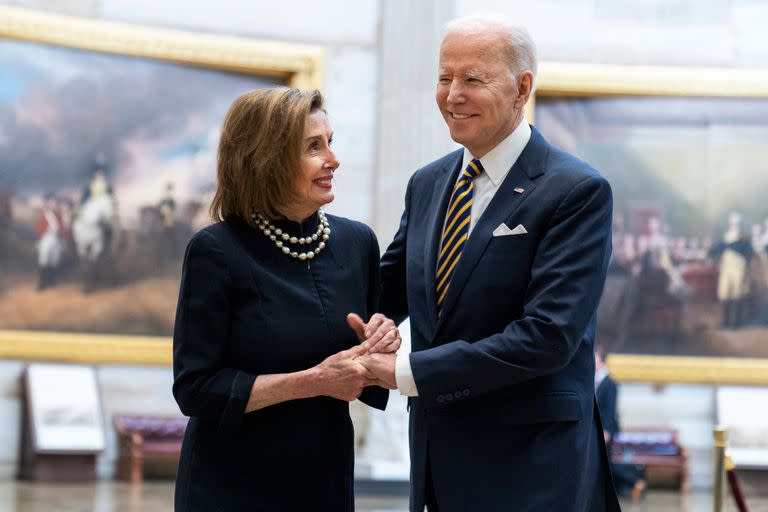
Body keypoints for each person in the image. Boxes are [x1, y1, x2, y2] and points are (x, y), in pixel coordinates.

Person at [355, 14, 621, 511]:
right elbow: (387, 292)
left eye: (473, 79)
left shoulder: (576, 191)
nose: (452, 94)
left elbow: (547, 337)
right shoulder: (428, 183)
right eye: (443, 77)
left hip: (531, 470)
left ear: (522, 89)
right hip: (437, 461)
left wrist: (403, 372)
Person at [172, 88, 399, 512]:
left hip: (324, 482)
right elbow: (195, 389)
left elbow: (362, 369)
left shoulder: (357, 243)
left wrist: (382, 343)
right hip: (231, 487)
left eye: (330, 142)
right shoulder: (215, 251)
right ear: (267, 157)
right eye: (314, 146)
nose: (333, 159)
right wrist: (312, 381)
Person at [595, 347, 647, 502]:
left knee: (608, 463)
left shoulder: (609, 382)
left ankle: (635, 482)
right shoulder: (597, 380)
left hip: (606, 430)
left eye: (595, 357)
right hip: (601, 429)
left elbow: (610, 410)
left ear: (602, 361)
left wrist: (606, 431)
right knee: (606, 463)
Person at [35, 193, 64, 290]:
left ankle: (52, 281)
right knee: (44, 259)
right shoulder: (44, 214)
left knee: (54, 260)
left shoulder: (58, 215)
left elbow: (61, 227)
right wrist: (40, 239)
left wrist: (60, 239)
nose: (53, 204)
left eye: (54, 202)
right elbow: (39, 228)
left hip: (56, 239)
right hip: (46, 238)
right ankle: (42, 283)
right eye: (51, 202)